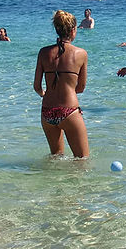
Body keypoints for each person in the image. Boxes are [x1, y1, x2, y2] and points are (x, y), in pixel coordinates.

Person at [34, 10, 89, 158]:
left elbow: (37, 87)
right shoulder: (81, 53)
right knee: (82, 160)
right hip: (69, 111)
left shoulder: (43, 52)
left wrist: (45, 94)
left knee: (56, 158)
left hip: (47, 112)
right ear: (73, 30)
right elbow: (81, 88)